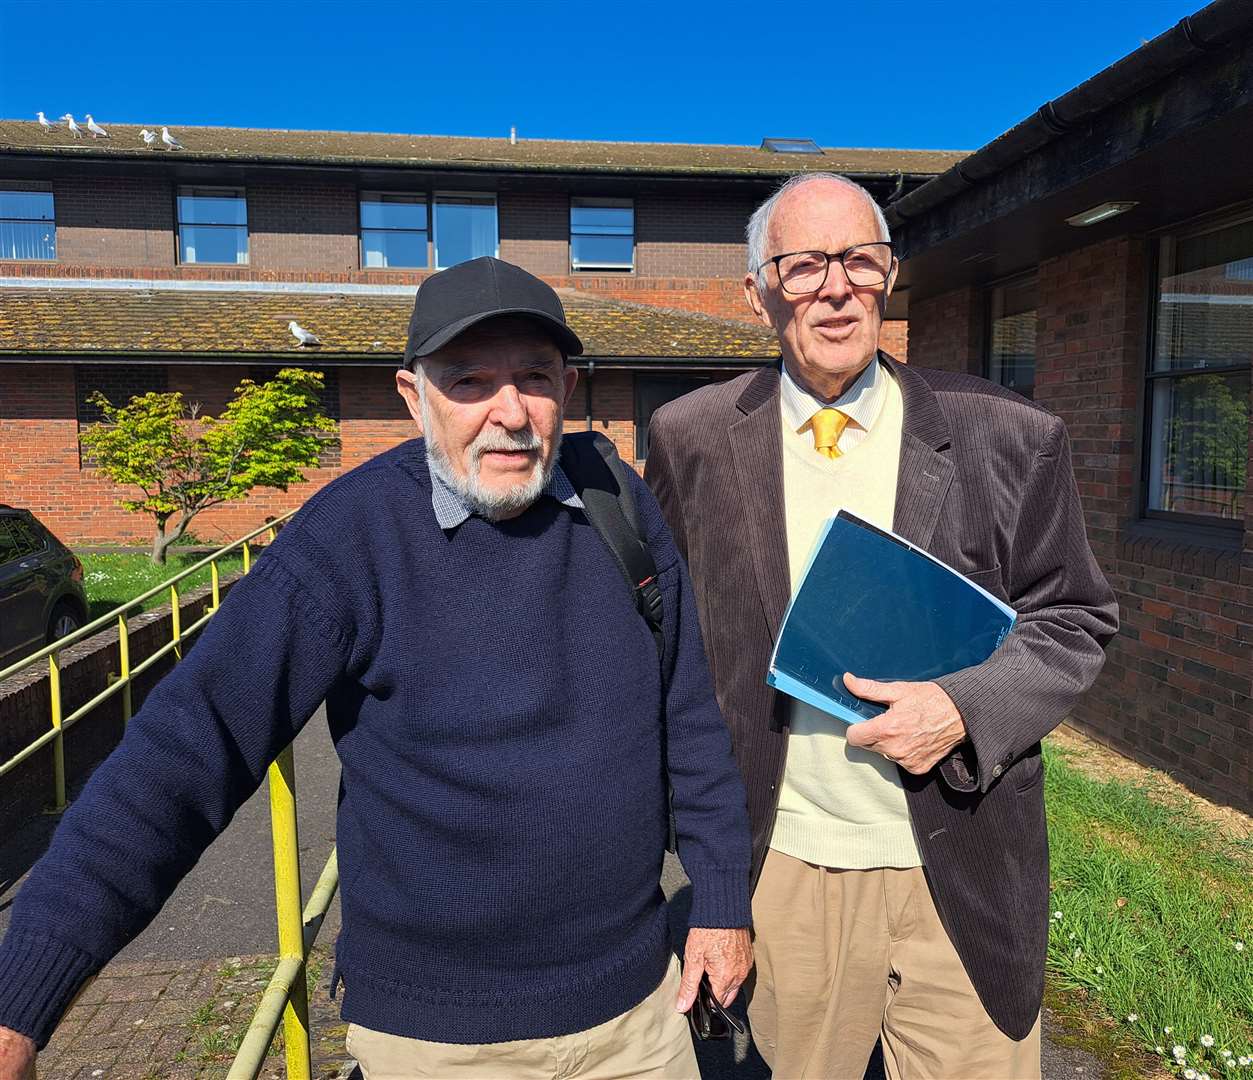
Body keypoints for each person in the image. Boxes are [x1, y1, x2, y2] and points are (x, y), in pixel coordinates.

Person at [0, 257, 753, 1080]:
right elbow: (182, 757)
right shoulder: (345, 542)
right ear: (411, 394)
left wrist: (717, 899)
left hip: (634, 1015)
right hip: (441, 1042)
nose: (510, 414)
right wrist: (23, 1001)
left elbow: (689, 713)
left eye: (534, 378)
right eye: (468, 381)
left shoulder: (617, 499)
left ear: (567, 390)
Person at [645, 173, 1119, 1080]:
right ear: (757, 291)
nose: (835, 286)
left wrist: (963, 708)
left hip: (961, 856)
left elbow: (1074, 619)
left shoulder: (1007, 434)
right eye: (803, 264)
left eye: (860, 259)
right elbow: (663, 639)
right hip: (785, 862)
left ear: (888, 276)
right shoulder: (690, 436)